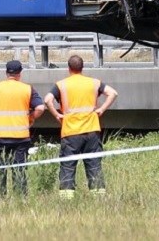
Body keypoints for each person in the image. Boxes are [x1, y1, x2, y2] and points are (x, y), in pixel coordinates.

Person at [45, 55, 118, 198]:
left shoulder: (62, 84)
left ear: (69, 68)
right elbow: (113, 93)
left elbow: (48, 100)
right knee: (94, 165)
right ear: (82, 68)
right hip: (91, 130)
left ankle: (67, 199)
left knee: (67, 166)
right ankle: (98, 198)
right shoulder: (94, 83)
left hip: (70, 131)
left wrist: (57, 115)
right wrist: (101, 109)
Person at [0, 59, 45, 196]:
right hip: (20, 139)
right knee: (19, 170)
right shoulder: (27, 89)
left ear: (6, 73)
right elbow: (40, 107)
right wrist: (31, 117)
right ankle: (20, 199)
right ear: (20, 74)